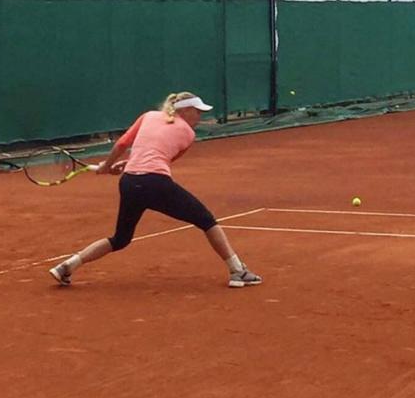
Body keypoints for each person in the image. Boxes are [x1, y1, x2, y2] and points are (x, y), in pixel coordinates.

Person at [49, 91, 262, 289]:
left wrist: (110, 165)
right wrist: (116, 165)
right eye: (197, 111)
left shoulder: (148, 116)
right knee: (206, 220)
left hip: (130, 183)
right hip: (155, 183)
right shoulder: (187, 133)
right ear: (184, 110)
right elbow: (161, 159)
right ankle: (237, 271)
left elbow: (124, 144)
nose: (199, 116)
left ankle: (67, 266)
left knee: (121, 239)